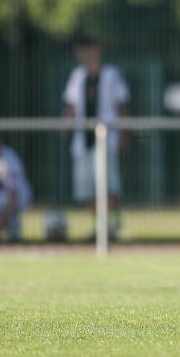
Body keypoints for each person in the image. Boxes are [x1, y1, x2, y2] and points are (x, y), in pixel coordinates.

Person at [63, 35, 130, 240]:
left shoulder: (111, 74)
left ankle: (113, 227)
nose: (84, 54)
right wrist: (66, 124)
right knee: (87, 189)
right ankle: (98, 229)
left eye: (87, 49)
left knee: (110, 185)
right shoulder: (77, 76)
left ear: (96, 50)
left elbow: (121, 105)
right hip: (82, 141)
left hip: (106, 138)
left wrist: (123, 133)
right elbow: (72, 105)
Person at [0, 137, 32, 243]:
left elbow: (13, 193)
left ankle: (14, 236)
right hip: (4, 195)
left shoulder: (9, 159)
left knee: (4, 205)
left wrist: (4, 217)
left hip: (19, 195)